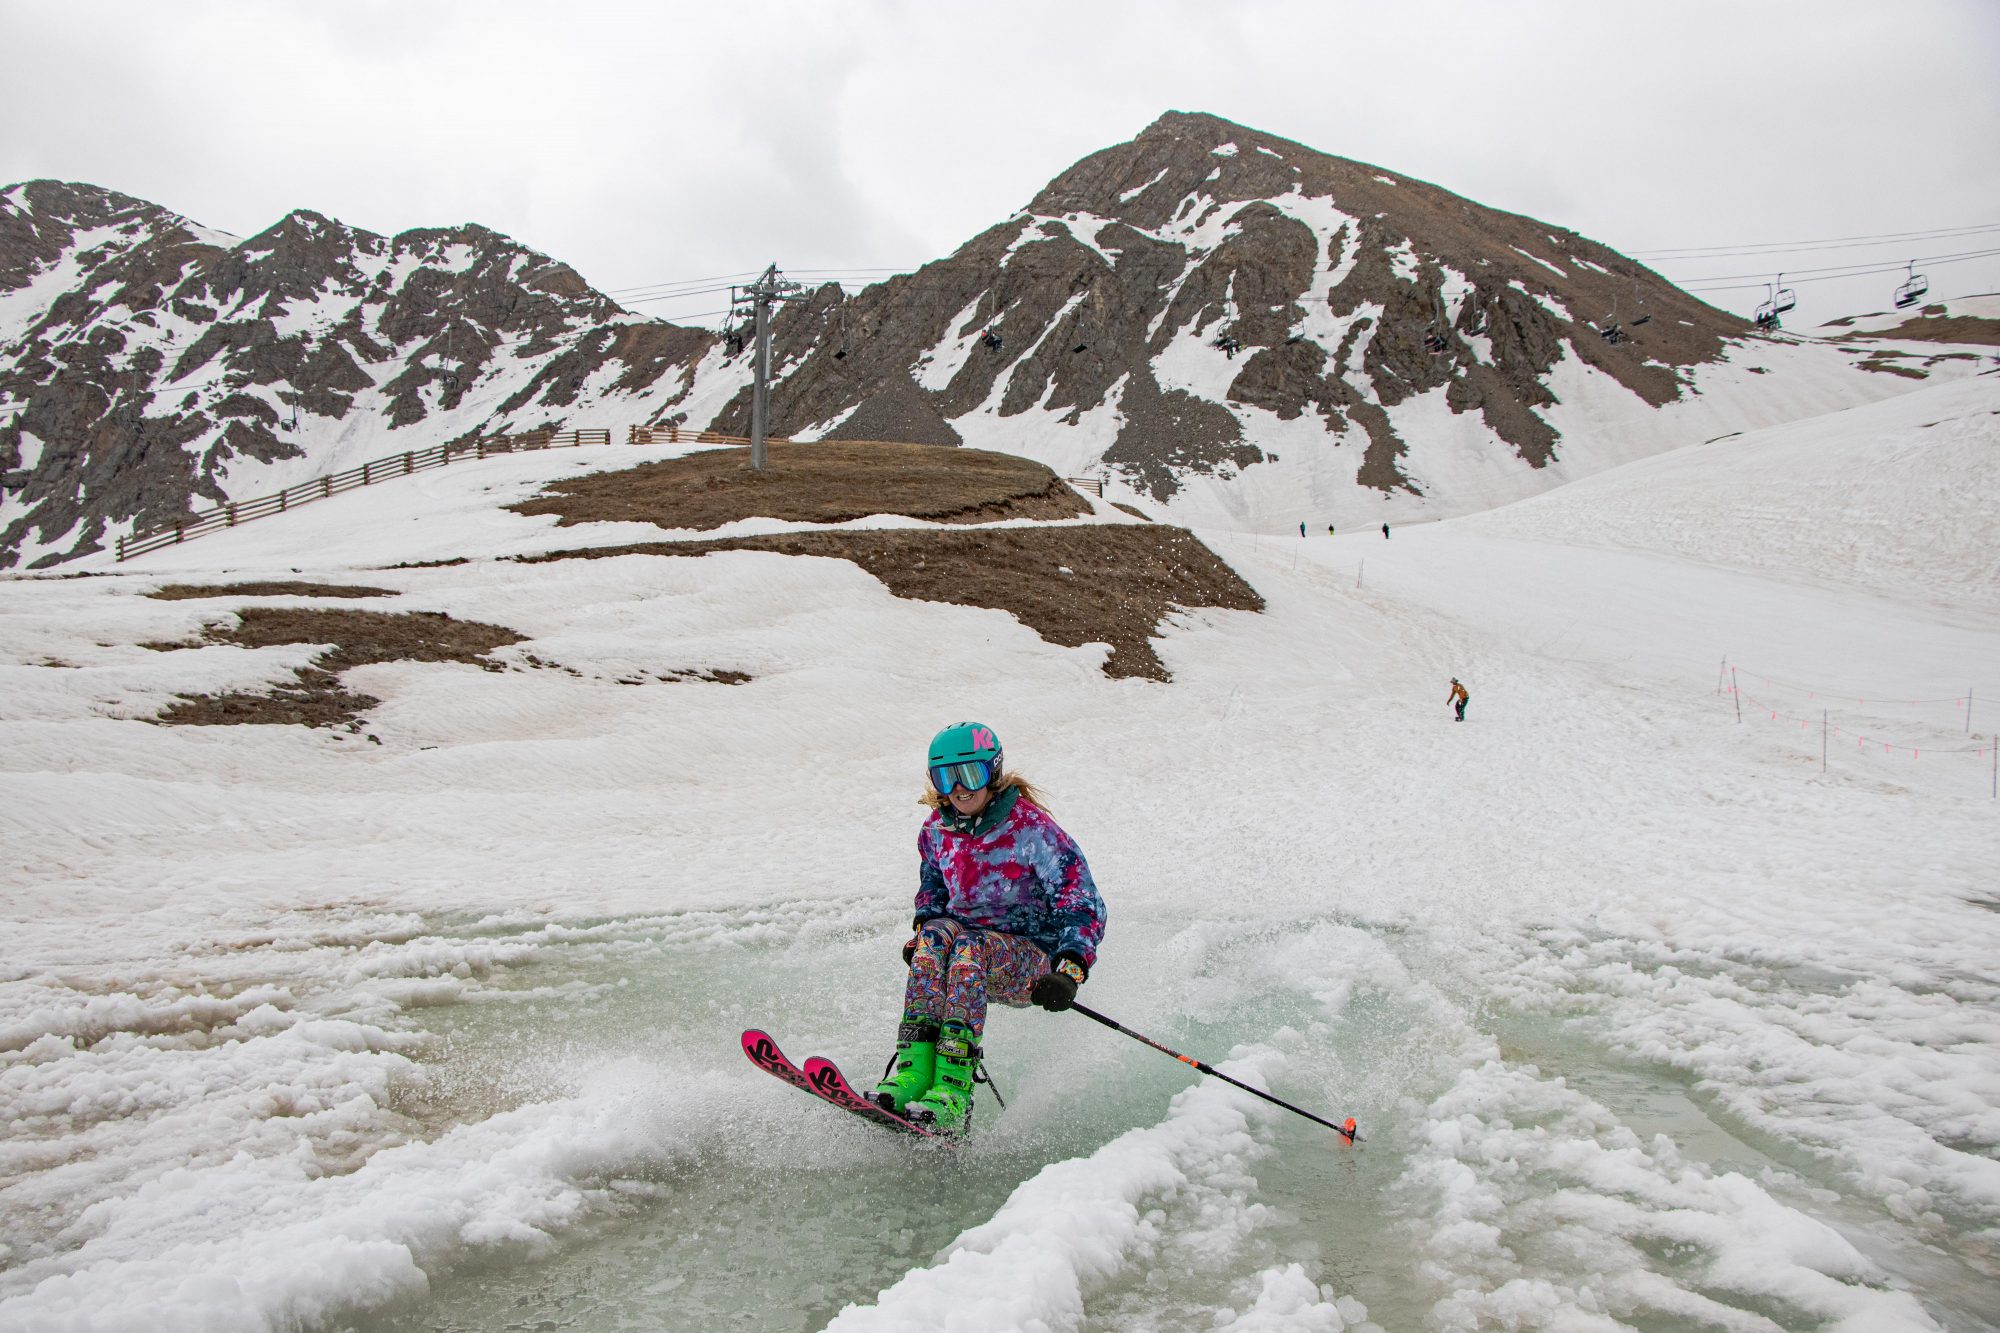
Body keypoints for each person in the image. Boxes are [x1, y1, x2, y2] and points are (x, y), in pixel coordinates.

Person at [871, 722, 1107, 1135]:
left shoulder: (1031, 830)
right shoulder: (936, 831)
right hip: (965, 958)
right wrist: (924, 938)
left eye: (970, 775)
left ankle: (952, 1091)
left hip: (1031, 966)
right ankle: (912, 1074)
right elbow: (933, 891)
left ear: (992, 773)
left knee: (970, 948)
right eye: (946, 777)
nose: (959, 789)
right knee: (935, 937)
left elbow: (1082, 904)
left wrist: (1068, 972)